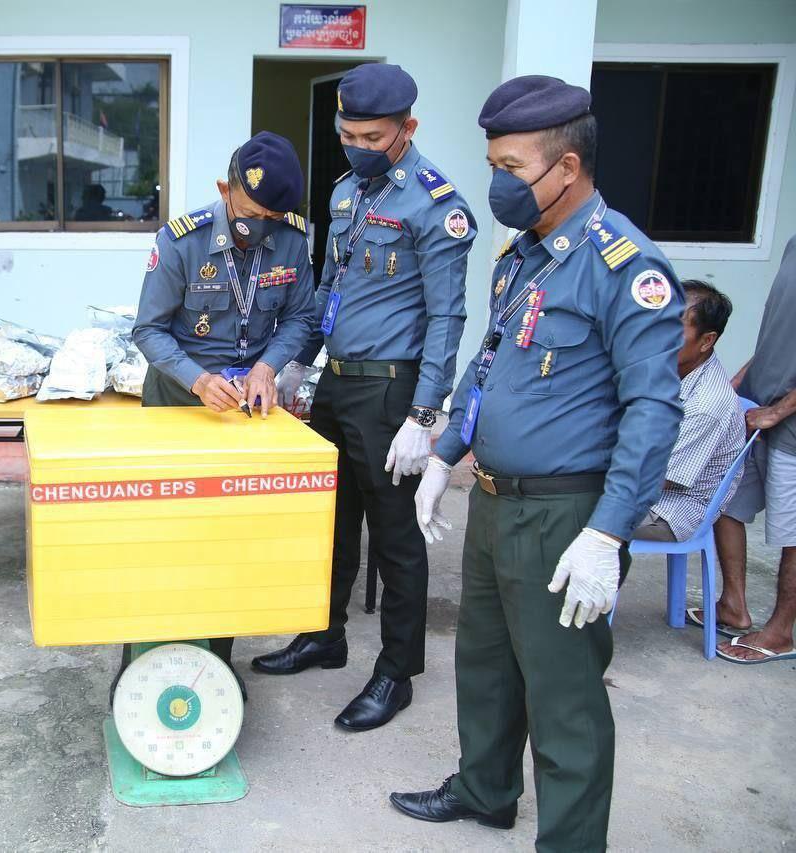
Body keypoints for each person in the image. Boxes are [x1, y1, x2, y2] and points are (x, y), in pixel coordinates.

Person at [395, 76, 684, 850]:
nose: (497, 183)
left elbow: (654, 411)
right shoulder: (523, 257)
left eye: (512, 168)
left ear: (568, 167)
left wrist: (608, 533)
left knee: (564, 696)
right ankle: (485, 789)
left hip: (566, 515)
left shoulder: (624, 265)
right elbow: (488, 362)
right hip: (495, 501)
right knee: (485, 663)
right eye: (492, 164)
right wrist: (444, 453)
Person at [251, 63, 475, 733]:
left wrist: (424, 413)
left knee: (397, 536)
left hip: (390, 390)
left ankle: (396, 672)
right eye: (347, 134)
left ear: (408, 128)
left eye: (371, 137)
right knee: (331, 519)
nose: (356, 146)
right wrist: (297, 360)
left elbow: (447, 318)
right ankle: (325, 634)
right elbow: (329, 287)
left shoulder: (436, 206)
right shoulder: (347, 192)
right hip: (338, 380)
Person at [131, 130, 317, 693]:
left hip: (245, 414)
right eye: (251, 214)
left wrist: (269, 366)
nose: (260, 227)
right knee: (166, 540)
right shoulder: (180, 241)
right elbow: (148, 329)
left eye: (272, 218)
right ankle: (149, 657)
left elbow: (301, 318)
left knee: (229, 542)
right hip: (177, 405)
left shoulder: (291, 241)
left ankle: (217, 660)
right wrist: (196, 378)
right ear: (224, 189)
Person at [711, 235, 796, 662]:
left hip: (788, 420)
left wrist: (781, 410)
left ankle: (780, 631)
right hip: (759, 402)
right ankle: (734, 605)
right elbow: (779, 330)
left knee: (793, 534)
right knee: (725, 501)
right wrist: (744, 376)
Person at [631, 280, 744, 543]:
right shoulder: (669, 369)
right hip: (637, 484)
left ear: (706, 340)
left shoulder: (708, 404)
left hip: (667, 510)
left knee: (560, 513)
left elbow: (656, 479)